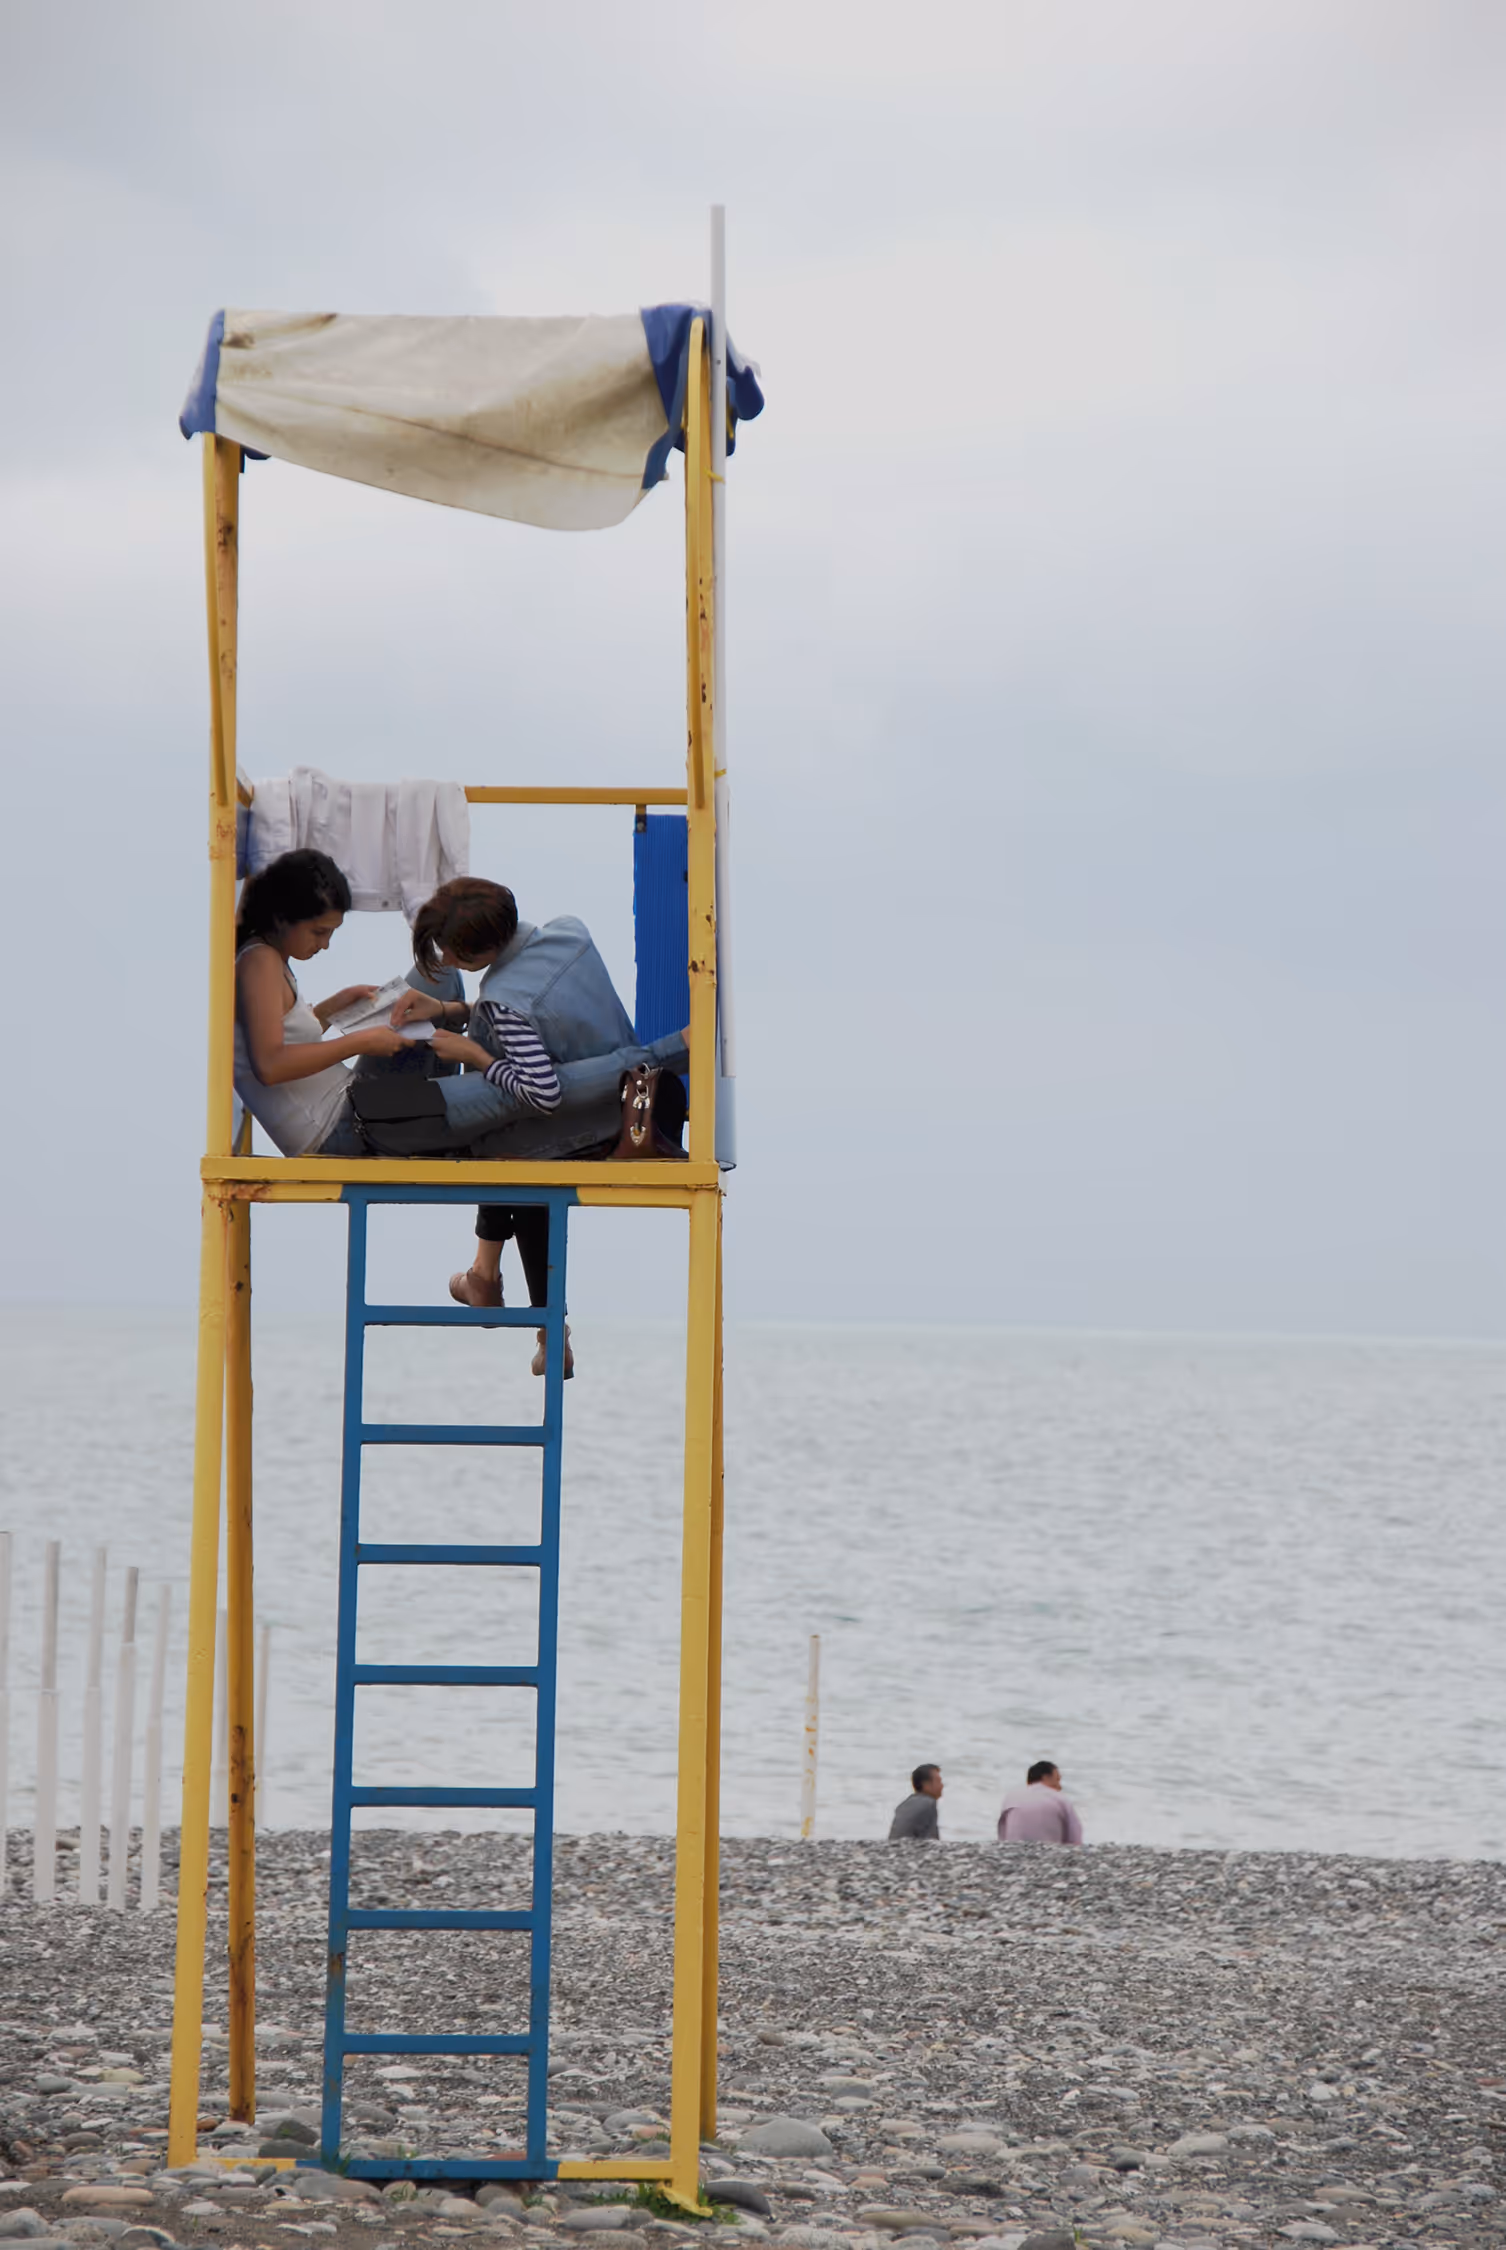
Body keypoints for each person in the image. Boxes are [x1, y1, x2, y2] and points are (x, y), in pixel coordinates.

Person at [380, 877, 692, 1375]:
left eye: (453, 953)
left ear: (479, 948)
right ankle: (493, 1283)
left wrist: (477, 1055)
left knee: (508, 1151)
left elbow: (542, 1092)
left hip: (596, 1126)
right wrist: (449, 1011)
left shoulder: (503, 1005)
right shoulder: (570, 934)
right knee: (514, 1143)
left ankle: (533, 1315)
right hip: (647, 1101)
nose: (451, 962)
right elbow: (534, 1008)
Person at [233, 849, 412, 1158]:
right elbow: (270, 1066)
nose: (325, 944)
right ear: (281, 917)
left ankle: (433, 1114)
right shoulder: (259, 963)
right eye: (319, 932)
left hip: (346, 1104)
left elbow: (287, 1036)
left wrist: (333, 1007)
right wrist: (360, 1041)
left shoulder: (270, 957)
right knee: (438, 992)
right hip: (333, 1129)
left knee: (428, 991)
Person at [997, 1759, 1083, 1845]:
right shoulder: (1060, 1799)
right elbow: (1075, 1837)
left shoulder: (1011, 1797)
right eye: (1057, 1780)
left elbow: (1002, 1833)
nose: (1060, 1787)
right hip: (1048, 1853)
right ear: (1045, 1777)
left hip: (1013, 1852)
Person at [888, 1763, 943, 1840]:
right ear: (926, 1785)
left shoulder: (904, 1804)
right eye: (938, 1781)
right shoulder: (929, 1803)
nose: (942, 1785)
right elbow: (932, 1840)